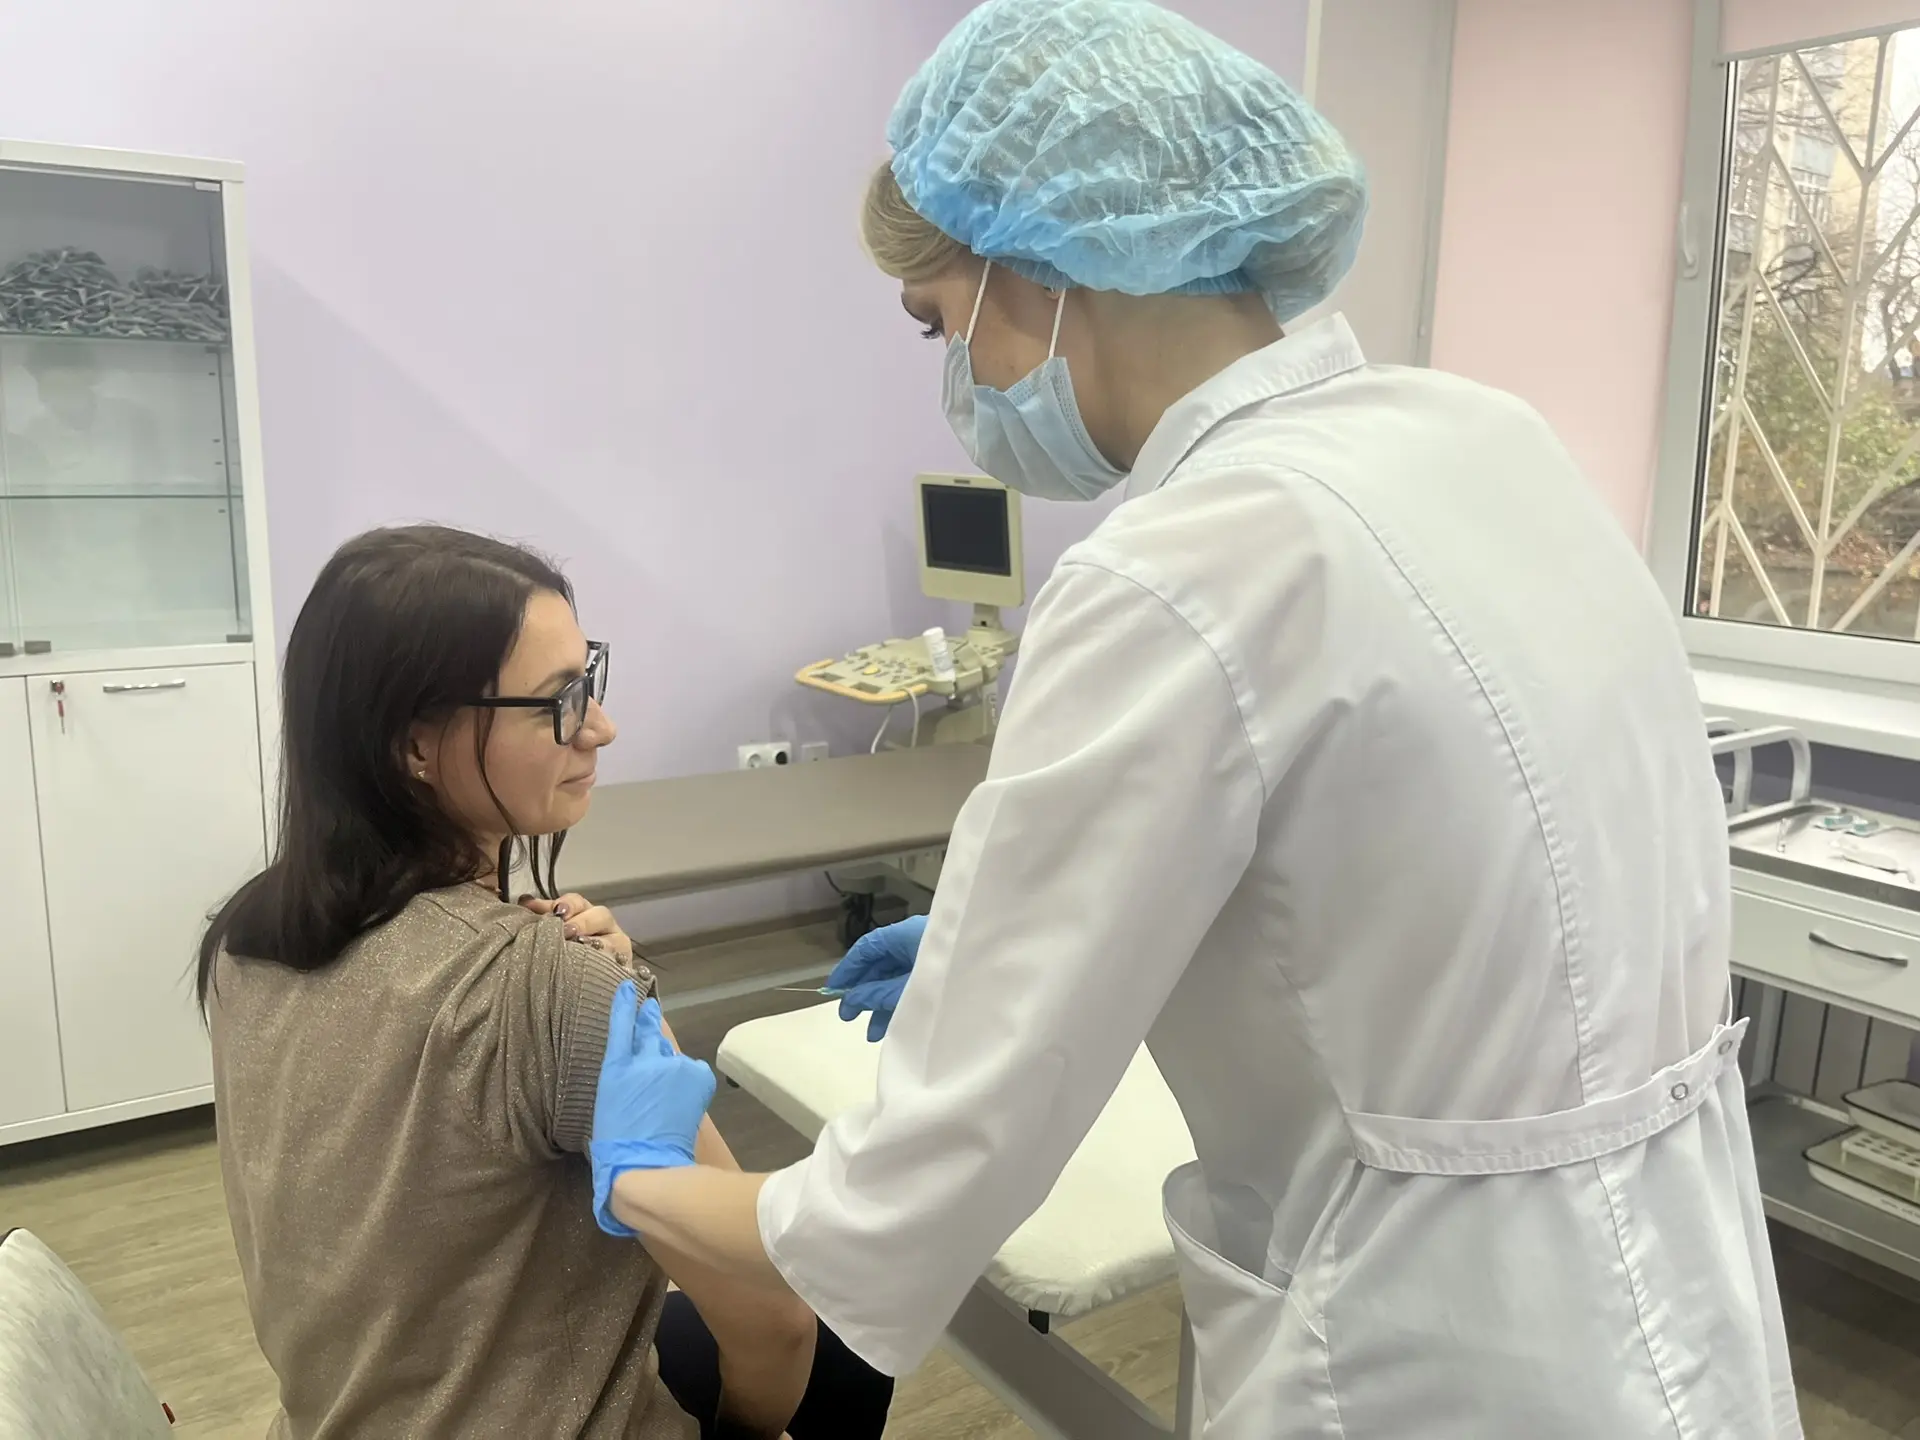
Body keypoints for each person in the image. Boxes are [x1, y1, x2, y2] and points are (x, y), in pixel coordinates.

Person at [583, 2, 1801, 1436]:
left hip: (1430, 1349)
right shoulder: (1486, 439)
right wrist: (1063, 955)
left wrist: (644, 1173)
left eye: (938, 323)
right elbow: (1421, 906)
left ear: (1032, 262)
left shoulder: (1177, 569)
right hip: (1679, 1297)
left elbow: (899, 1200)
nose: (958, 378)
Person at [199, 525, 892, 1440]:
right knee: (852, 1327)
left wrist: (587, 997)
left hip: (341, 1412)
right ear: (416, 744)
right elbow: (776, 1317)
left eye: (588, 681)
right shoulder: (549, 985)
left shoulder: (246, 943)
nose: (599, 727)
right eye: (557, 702)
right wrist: (611, 1007)